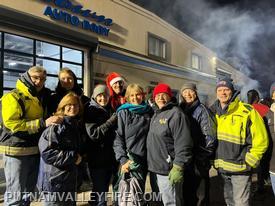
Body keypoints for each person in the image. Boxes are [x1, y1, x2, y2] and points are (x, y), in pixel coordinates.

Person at [0, 66, 62, 205]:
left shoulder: (41, 97)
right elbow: (12, 125)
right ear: (27, 76)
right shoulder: (13, 96)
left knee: (28, 194)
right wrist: (42, 123)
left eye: (42, 79)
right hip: (16, 151)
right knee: (15, 195)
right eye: (35, 77)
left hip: (34, 150)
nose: (39, 81)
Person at [211, 78, 269, 206]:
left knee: (241, 203)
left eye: (226, 89)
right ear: (216, 93)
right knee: (229, 202)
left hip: (241, 169)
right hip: (222, 169)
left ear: (232, 91)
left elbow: (262, 139)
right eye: (220, 90)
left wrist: (251, 159)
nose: (223, 93)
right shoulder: (213, 112)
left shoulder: (247, 111)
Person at [147, 83, 193, 206]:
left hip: (168, 169)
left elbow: (184, 142)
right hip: (155, 168)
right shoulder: (156, 113)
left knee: (171, 203)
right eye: (157, 95)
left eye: (164, 95)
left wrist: (178, 166)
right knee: (161, 201)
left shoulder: (176, 114)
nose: (160, 98)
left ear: (170, 97)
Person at [37, 92, 84, 206]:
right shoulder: (56, 125)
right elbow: (48, 153)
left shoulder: (73, 125)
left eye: (76, 105)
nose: (73, 107)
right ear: (62, 106)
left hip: (68, 182)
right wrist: (74, 157)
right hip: (55, 184)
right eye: (69, 104)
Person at [179, 83, 217, 206]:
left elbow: (210, 137)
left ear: (195, 93)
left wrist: (202, 158)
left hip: (198, 160)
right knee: (187, 193)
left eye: (190, 91)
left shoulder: (202, 111)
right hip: (185, 159)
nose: (188, 94)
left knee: (201, 196)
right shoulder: (180, 109)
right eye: (185, 92)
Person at [113, 84, 152, 198]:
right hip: (129, 161)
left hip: (144, 161)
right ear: (128, 97)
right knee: (126, 195)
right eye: (132, 95)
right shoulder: (123, 112)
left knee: (138, 194)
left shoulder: (149, 112)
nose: (135, 97)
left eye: (138, 94)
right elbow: (118, 138)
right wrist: (123, 160)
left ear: (142, 96)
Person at [84, 84, 118, 206]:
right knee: (101, 196)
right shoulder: (90, 111)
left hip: (109, 158)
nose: (103, 98)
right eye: (100, 95)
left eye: (105, 95)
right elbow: (94, 134)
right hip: (97, 160)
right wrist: (110, 122)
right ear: (95, 96)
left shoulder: (110, 110)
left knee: (100, 192)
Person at [247, 89, 273, 192]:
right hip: (264, 141)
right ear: (257, 98)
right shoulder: (264, 109)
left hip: (250, 144)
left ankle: (257, 186)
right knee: (264, 164)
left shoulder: (245, 109)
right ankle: (263, 184)